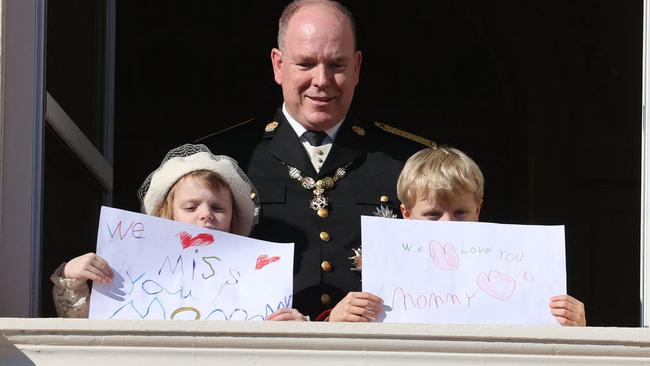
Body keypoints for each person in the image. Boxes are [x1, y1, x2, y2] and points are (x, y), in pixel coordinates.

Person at [198, 0, 432, 320]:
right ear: (279, 66)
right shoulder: (220, 160)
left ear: (357, 68)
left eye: (336, 64)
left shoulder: (408, 162)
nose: (321, 80)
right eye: (306, 64)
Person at [330, 147, 586, 326]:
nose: (447, 225)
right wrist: (336, 320)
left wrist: (573, 326)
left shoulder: (511, 263)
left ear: (478, 209)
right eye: (432, 214)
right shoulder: (386, 271)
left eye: (460, 213)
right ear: (406, 214)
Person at [51, 144, 306, 321]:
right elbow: (86, 325)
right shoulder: (134, 270)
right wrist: (71, 276)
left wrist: (295, 327)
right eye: (191, 207)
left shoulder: (256, 280)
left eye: (217, 207)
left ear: (233, 219)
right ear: (168, 214)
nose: (206, 214)